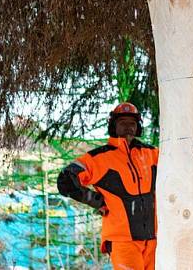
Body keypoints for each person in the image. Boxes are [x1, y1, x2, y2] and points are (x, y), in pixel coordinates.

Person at [57, 102, 158, 270]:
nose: (128, 127)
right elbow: (65, 180)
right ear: (113, 126)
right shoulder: (98, 158)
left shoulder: (153, 154)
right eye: (122, 123)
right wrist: (95, 200)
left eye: (132, 123)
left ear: (138, 127)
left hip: (154, 240)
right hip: (122, 241)